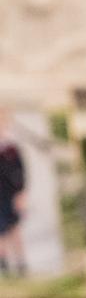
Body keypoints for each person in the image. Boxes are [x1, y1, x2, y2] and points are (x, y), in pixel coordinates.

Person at [0, 109, 28, 277]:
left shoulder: (12, 149)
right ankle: (3, 264)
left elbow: (21, 173)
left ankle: (21, 263)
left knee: (14, 228)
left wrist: (21, 193)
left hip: (10, 194)